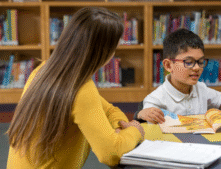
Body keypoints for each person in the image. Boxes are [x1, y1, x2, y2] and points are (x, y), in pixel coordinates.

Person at [6, 7, 144, 168]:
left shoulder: (43, 71)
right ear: (103, 52)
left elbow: (108, 110)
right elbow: (111, 154)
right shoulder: (81, 89)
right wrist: (134, 131)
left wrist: (118, 127)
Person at [135, 28, 221, 124]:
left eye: (200, 62)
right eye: (188, 62)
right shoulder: (156, 99)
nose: (197, 68)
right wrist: (143, 113)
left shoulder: (201, 89)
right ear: (168, 65)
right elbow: (145, 116)